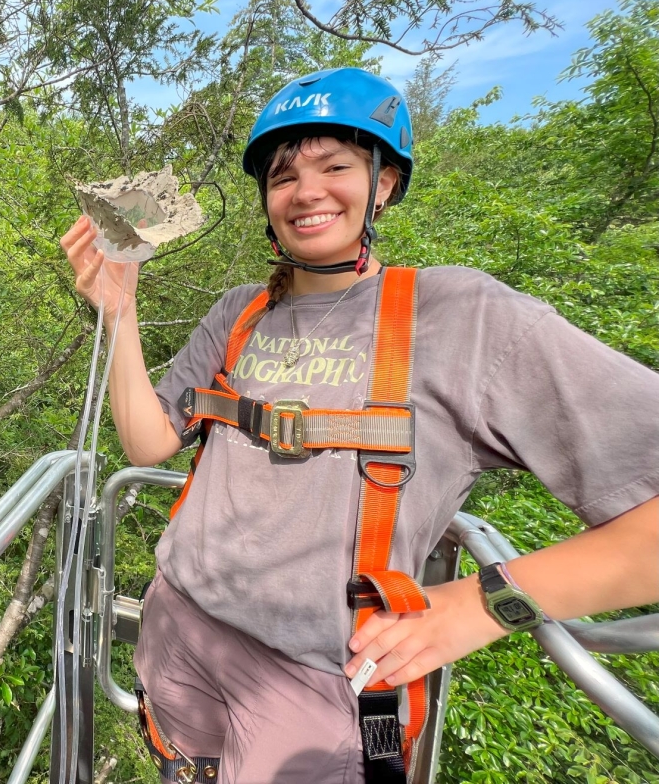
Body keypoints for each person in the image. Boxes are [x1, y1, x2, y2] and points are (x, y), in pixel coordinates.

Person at [59, 67, 659, 784]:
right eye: (283, 176)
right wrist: (118, 311)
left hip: (315, 688)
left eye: (335, 166)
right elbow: (149, 440)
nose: (305, 191)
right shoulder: (239, 312)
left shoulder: (464, 317)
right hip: (179, 629)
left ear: (384, 183)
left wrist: (479, 605)